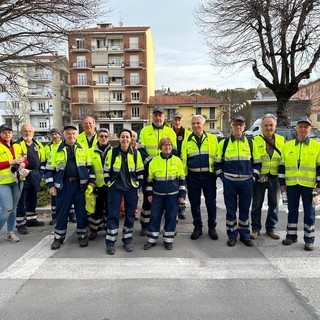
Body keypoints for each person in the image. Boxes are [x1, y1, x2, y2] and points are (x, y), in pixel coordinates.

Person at [45, 124, 95, 250]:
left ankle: (82, 236)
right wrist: (51, 185)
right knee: (62, 212)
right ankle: (58, 238)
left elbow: (91, 168)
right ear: (64, 135)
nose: (71, 136)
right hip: (63, 186)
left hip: (80, 186)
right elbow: (49, 170)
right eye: (68, 133)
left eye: (73, 133)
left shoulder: (83, 148)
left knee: (81, 213)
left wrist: (91, 182)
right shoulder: (56, 150)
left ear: (76, 134)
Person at [215, 115, 261, 247]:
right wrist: (223, 178)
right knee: (231, 210)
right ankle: (232, 235)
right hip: (229, 182)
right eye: (235, 125)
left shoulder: (251, 143)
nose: (238, 127)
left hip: (246, 182)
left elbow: (257, 164)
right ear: (231, 126)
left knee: (244, 210)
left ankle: (245, 235)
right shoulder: (223, 143)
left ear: (244, 127)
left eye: (240, 125)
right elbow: (217, 164)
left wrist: (253, 178)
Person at [279, 117, 320, 251]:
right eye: (300, 126)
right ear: (296, 128)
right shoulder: (288, 145)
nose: (303, 129)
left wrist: (319, 185)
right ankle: (291, 235)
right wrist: (282, 183)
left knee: (309, 213)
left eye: (306, 127)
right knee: (292, 210)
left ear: (310, 129)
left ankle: (309, 240)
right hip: (291, 184)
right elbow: (282, 166)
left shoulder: (317, 146)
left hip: (309, 186)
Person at [138, 106, 177, 236]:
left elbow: (174, 150)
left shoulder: (170, 132)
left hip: (166, 171)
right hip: (149, 170)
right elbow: (141, 149)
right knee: (148, 199)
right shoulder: (145, 131)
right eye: (155, 115)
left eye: (160, 115)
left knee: (168, 201)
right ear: (152, 117)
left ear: (164, 116)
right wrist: (151, 162)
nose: (158, 117)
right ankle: (145, 225)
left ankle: (169, 227)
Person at [104, 129, 144, 255]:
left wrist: (138, 185)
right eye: (123, 137)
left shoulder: (136, 153)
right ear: (119, 138)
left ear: (131, 139)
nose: (125, 139)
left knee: (130, 215)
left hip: (131, 189)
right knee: (113, 215)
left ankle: (127, 240)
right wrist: (108, 183)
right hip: (115, 188)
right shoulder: (112, 152)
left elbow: (141, 171)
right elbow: (105, 170)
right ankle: (110, 243)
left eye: (127, 137)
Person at [143, 137, 186, 250]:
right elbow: (150, 180)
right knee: (155, 217)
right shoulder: (154, 161)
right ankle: (151, 240)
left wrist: (182, 194)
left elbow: (182, 178)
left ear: (172, 147)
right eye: (165, 145)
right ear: (160, 147)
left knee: (171, 217)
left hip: (173, 195)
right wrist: (149, 194)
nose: (167, 147)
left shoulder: (177, 161)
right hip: (157, 195)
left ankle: (168, 240)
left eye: (169, 145)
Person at [181, 115, 219, 240]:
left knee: (210, 203)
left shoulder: (213, 139)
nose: (195, 125)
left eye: (198, 123)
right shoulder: (186, 140)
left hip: (209, 176)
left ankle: (212, 227)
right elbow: (183, 159)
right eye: (193, 123)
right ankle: (198, 227)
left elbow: (218, 157)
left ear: (203, 124)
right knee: (194, 204)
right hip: (192, 176)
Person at [250, 114, 285, 240]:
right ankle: (255, 229)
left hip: (275, 177)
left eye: (271, 125)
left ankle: (271, 228)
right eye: (266, 125)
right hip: (260, 177)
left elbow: (285, 160)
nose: (268, 128)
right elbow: (252, 159)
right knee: (256, 204)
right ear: (261, 126)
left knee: (274, 204)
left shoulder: (282, 140)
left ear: (275, 126)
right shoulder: (255, 140)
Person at [15, 123, 46, 234]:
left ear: (33, 132)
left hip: (35, 175)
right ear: (21, 132)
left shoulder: (37, 144)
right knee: (21, 199)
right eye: (25, 131)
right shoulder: (17, 144)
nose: (27, 133)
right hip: (23, 175)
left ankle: (32, 220)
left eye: (29, 131)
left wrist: (40, 172)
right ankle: (21, 224)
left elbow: (43, 159)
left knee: (32, 197)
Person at [0, 124, 28, 243]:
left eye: (9, 132)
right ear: (0, 134)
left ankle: (10, 233)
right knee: (6, 209)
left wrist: (23, 164)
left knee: (13, 209)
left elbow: (25, 159)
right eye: (4, 132)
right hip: (3, 182)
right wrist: (11, 162)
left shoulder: (17, 146)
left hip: (17, 180)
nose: (7, 134)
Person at [45, 128, 76, 225]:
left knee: (70, 200)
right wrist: (50, 184)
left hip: (64, 177)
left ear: (60, 135)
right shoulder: (48, 147)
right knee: (57, 201)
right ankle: (56, 217)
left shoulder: (68, 146)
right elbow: (46, 164)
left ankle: (71, 215)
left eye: (56, 134)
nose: (54, 136)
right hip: (56, 176)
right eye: (52, 134)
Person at [88, 128, 112, 240]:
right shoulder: (90, 151)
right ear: (97, 137)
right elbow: (88, 168)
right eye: (101, 136)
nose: (103, 138)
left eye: (105, 136)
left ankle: (108, 229)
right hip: (96, 186)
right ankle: (94, 230)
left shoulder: (113, 151)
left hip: (109, 186)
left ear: (108, 138)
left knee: (108, 209)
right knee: (96, 210)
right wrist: (91, 183)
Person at [172, 112, 191, 219]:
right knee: (173, 187)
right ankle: (173, 208)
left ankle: (182, 207)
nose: (177, 122)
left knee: (183, 188)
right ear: (172, 121)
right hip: (172, 165)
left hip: (184, 166)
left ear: (182, 121)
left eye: (179, 120)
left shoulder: (187, 133)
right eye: (175, 119)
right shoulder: (169, 132)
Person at [119, 130, 139, 219]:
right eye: (123, 137)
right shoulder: (116, 151)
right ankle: (122, 210)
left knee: (134, 198)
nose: (125, 139)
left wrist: (138, 182)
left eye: (134, 136)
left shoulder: (136, 151)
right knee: (122, 198)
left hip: (132, 180)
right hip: (120, 180)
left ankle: (134, 211)